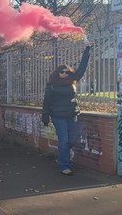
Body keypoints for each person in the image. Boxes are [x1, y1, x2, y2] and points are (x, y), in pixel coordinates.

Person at [42, 44, 91, 176]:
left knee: (73, 139)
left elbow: (82, 68)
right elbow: (46, 102)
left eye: (67, 72)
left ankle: (62, 155)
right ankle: (64, 165)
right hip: (58, 116)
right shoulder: (51, 85)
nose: (65, 74)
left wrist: (87, 50)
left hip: (72, 114)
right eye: (62, 72)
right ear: (57, 73)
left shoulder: (72, 81)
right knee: (64, 140)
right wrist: (45, 116)